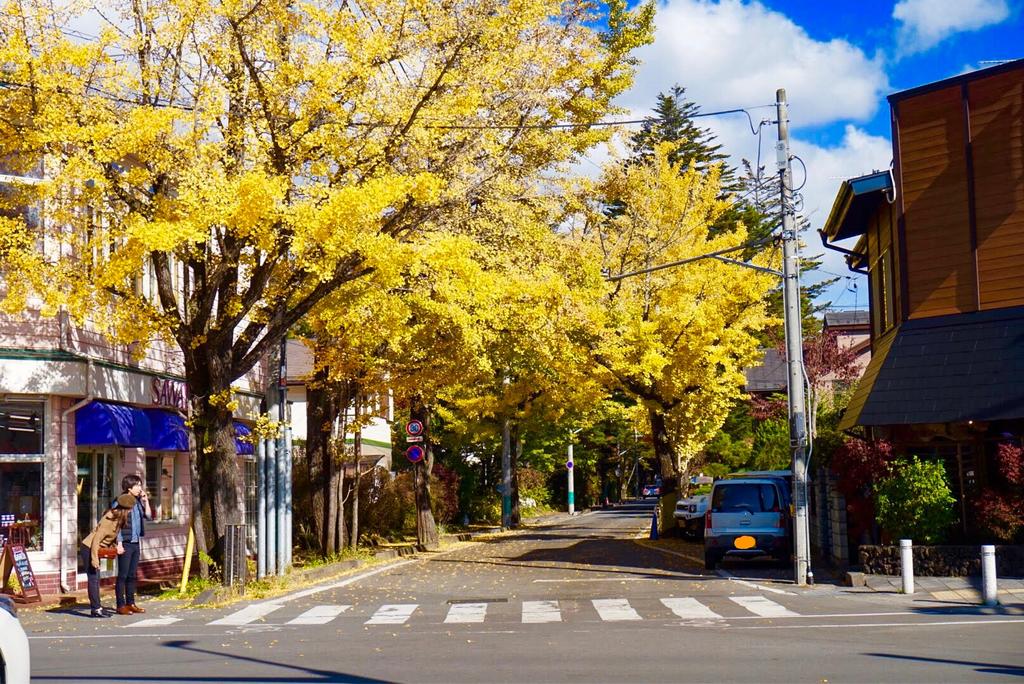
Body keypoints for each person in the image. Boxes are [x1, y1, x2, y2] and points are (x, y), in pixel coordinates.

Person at [79, 495, 135, 618]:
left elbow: (110, 538)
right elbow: (96, 540)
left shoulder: (118, 519)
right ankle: (96, 609)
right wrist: (94, 559)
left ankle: (98, 607)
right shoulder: (109, 520)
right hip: (89, 548)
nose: (132, 511)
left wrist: (116, 547)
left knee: (96, 579)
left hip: (95, 548)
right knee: (93, 579)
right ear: (126, 509)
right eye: (131, 509)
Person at [114, 474, 152, 615]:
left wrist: (145, 501)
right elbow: (116, 524)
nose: (139, 488)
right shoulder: (120, 501)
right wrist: (119, 543)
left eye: (140, 485)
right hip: (125, 542)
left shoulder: (137, 501)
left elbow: (148, 516)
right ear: (129, 488)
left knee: (132, 575)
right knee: (123, 575)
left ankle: (131, 603)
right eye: (137, 485)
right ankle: (120, 605)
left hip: (136, 542)